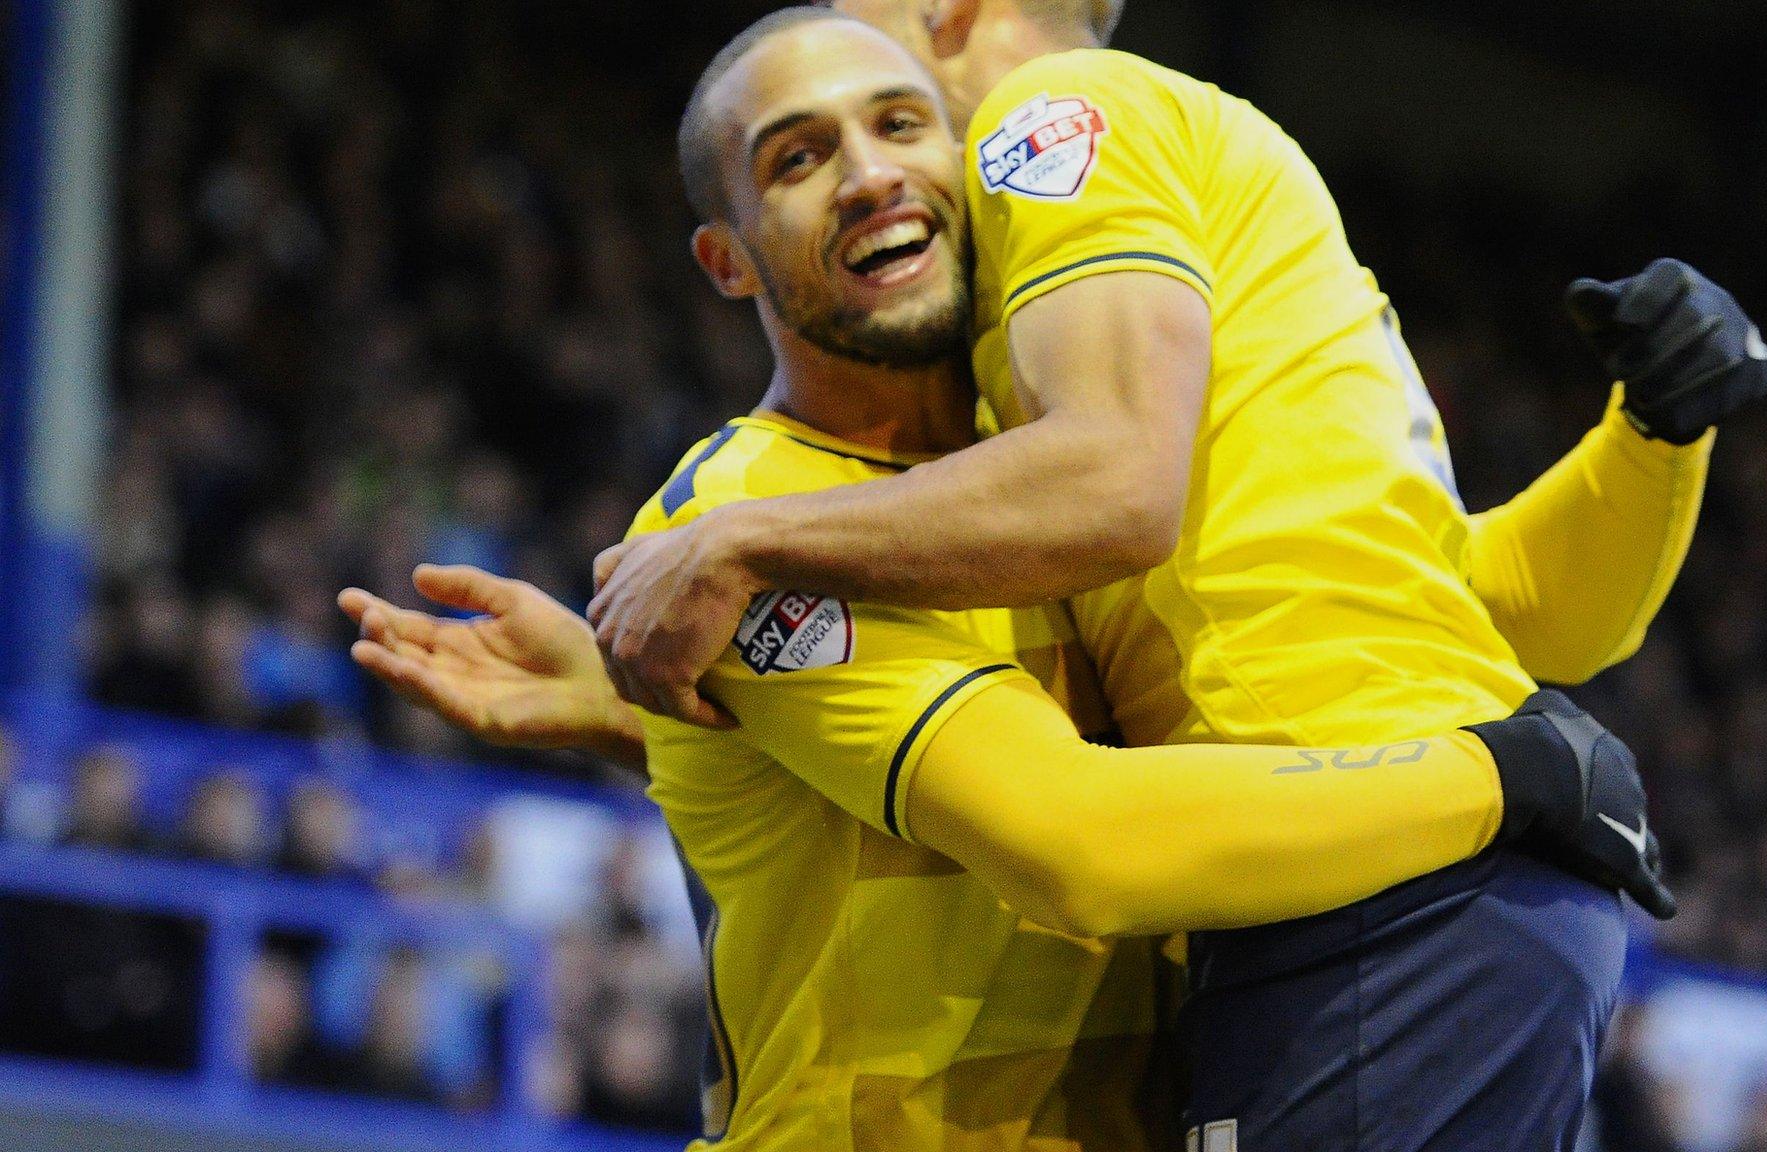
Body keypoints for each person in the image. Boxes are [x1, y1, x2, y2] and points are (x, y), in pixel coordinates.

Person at [344, 13, 1677, 1148]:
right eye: (800, 159)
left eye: (900, 125)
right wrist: (1513, 779)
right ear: (727, 257)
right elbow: (1078, 843)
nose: (870, 175)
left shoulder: (1009, 511)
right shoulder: (749, 512)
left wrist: (648, 721)